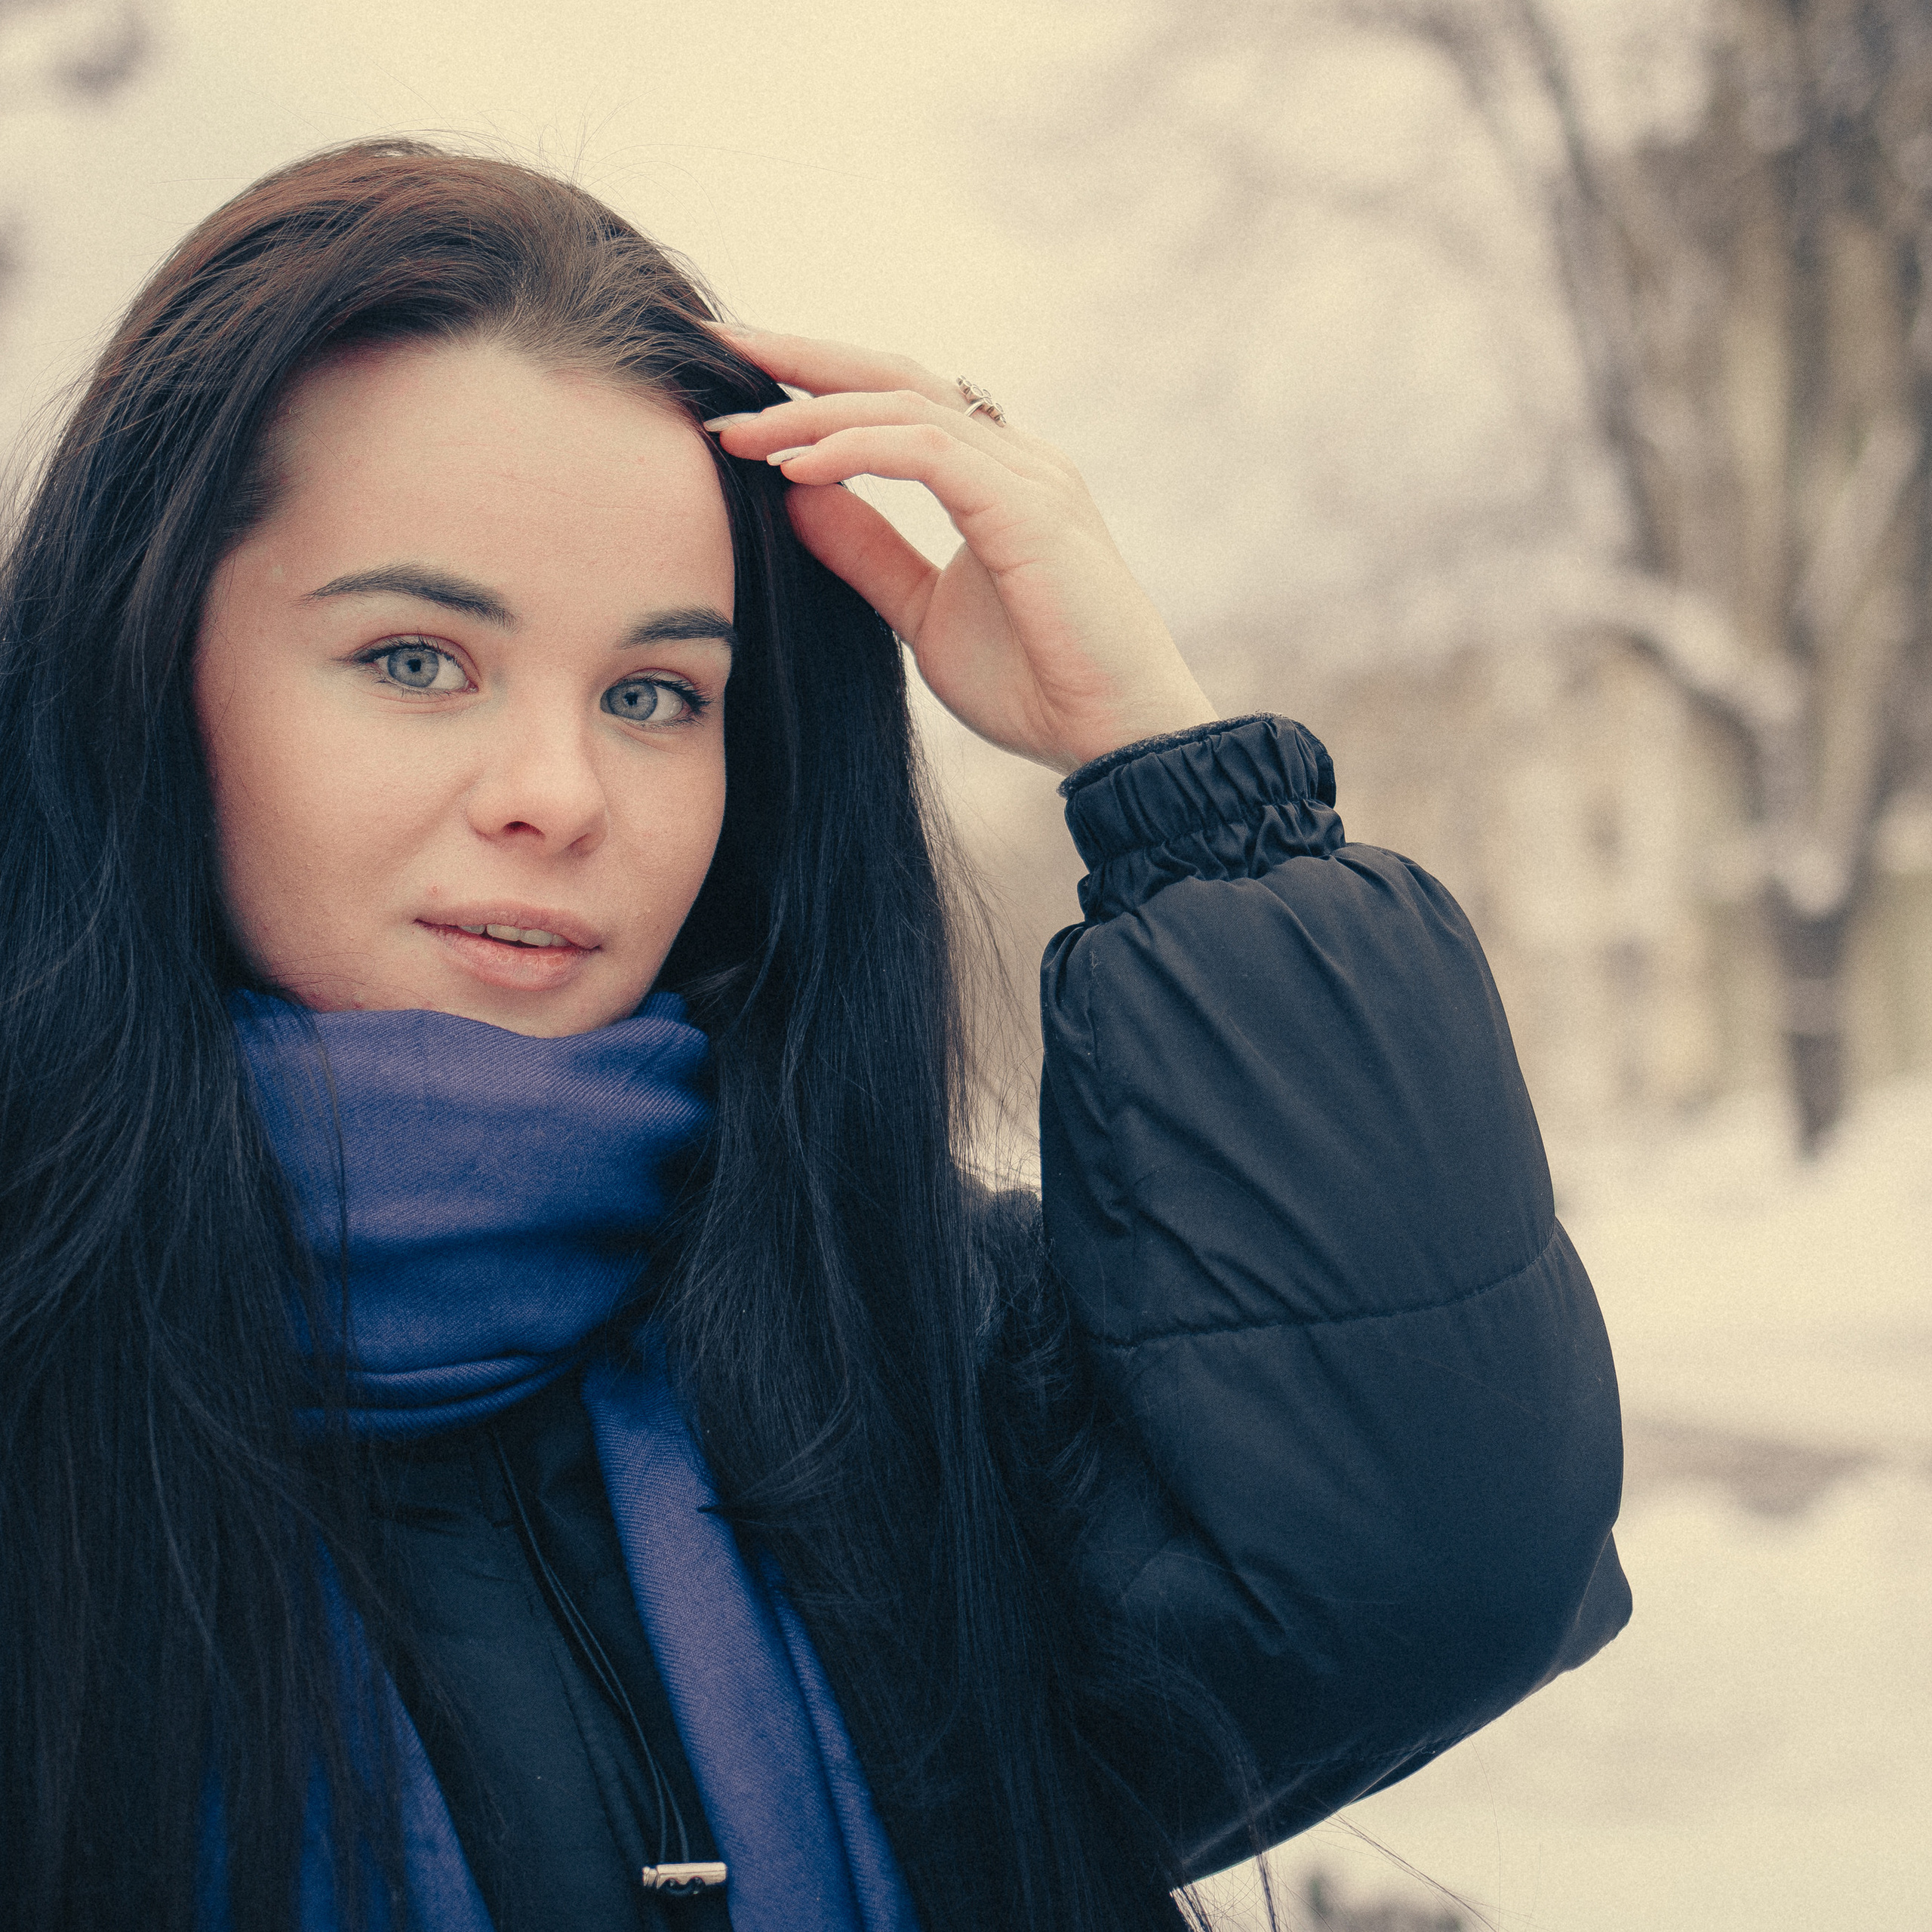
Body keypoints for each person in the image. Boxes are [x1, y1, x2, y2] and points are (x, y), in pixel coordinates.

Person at [0, 140, 1629, 1932]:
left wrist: (1160, 767)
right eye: (416, 657)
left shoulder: (896, 1341)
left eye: (651, 694)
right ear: (148, 666)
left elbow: (1429, 1562)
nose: (557, 793)